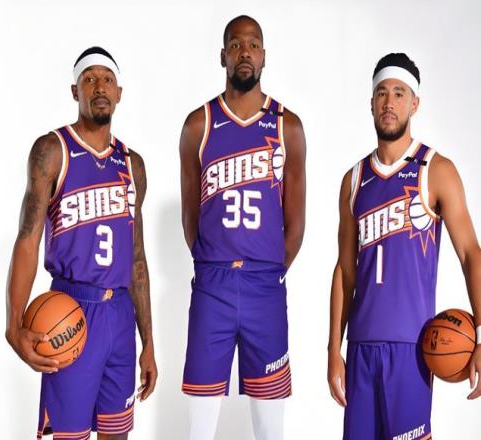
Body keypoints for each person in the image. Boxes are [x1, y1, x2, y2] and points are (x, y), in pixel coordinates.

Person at [5, 47, 157, 439]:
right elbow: (27, 240)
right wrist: (13, 324)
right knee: (70, 435)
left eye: (107, 79)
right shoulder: (52, 151)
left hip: (120, 315)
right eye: (89, 79)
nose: (99, 87)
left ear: (119, 92)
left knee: (117, 432)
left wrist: (148, 341)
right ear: (76, 91)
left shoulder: (132, 165)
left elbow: (137, 259)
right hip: (71, 309)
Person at [327, 53, 481, 440]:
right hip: (360, 348)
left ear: (414, 103)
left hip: (412, 350)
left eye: (399, 93)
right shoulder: (353, 180)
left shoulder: (436, 170)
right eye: (382, 93)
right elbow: (344, 270)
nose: (389, 102)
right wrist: (333, 349)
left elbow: (470, 254)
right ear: (371, 103)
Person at [179, 15, 306, 440]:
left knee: (270, 427)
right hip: (212, 285)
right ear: (223, 56)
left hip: (264, 287)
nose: (244, 52)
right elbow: (191, 216)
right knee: (199, 427)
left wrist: (268, 268)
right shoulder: (198, 125)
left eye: (253, 44)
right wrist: (212, 259)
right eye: (235, 45)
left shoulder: (288, 126)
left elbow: (296, 222)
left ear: (264, 56)